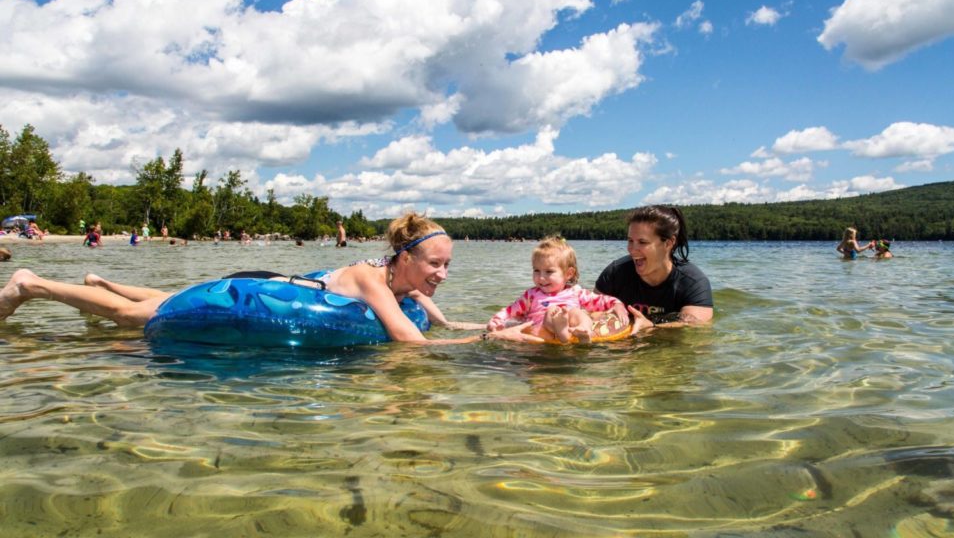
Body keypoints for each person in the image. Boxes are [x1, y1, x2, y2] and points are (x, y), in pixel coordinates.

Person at [0, 212, 483, 345]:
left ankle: (100, 282)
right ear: (404, 257)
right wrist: (500, 350)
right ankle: (32, 283)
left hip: (279, 280)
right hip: (257, 289)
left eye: (448, 266)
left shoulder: (410, 285)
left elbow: (439, 325)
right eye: (434, 264)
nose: (441, 274)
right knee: (136, 319)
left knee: (164, 296)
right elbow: (410, 343)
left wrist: (490, 329)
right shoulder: (372, 279)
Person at [488, 205, 713, 342]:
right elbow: (588, 311)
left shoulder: (692, 283)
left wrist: (652, 327)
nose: (632, 249)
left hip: (661, 344)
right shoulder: (616, 273)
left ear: (669, 243)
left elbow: (695, 327)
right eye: (629, 240)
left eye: (642, 242)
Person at [486, 236, 627, 343]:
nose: (541, 278)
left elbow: (600, 300)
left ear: (568, 274)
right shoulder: (531, 295)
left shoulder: (576, 292)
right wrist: (496, 321)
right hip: (544, 331)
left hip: (570, 326)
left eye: (549, 272)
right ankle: (561, 329)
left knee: (577, 313)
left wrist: (617, 304)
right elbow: (510, 310)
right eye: (536, 271)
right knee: (552, 311)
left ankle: (583, 329)